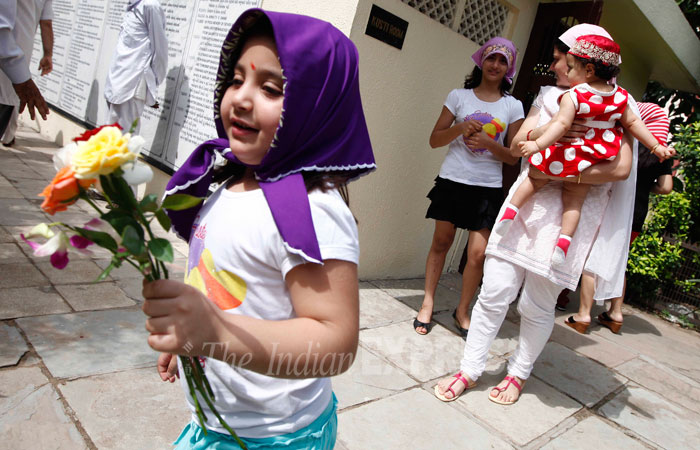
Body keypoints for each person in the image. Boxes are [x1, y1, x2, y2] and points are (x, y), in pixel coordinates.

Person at [141, 9, 375, 448]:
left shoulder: (312, 209)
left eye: (271, 88)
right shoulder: (227, 182)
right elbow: (219, 283)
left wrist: (215, 333)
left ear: (317, 106)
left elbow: (335, 340)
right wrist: (190, 338)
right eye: (235, 80)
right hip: (219, 421)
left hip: (273, 437)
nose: (242, 98)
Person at [434, 23, 639, 406]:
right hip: (527, 207)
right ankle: (469, 368)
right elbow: (517, 144)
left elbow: (622, 168)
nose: (555, 66)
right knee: (494, 291)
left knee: (537, 304)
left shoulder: (617, 104)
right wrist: (559, 127)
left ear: (584, 66)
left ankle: (518, 374)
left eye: (560, 60)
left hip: (572, 216)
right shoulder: (548, 96)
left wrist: (566, 170)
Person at [494, 35, 672, 268]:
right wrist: (656, 145)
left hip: (568, 152)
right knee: (574, 202)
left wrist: (537, 145)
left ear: (588, 69)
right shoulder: (620, 97)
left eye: (570, 67)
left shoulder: (574, 95)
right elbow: (634, 124)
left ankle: (509, 214)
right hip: (593, 157)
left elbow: (561, 125)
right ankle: (563, 245)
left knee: (534, 178)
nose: (566, 73)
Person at [413, 37, 523, 337]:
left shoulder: (512, 106)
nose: (495, 65)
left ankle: (463, 310)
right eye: (491, 58)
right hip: (452, 180)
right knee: (441, 243)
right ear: (481, 61)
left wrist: (490, 143)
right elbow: (435, 140)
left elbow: (513, 157)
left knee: (477, 254)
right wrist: (459, 128)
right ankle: (427, 302)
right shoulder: (459, 97)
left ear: (508, 67)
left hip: (486, 187)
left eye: (502, 60)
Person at [564, 102, 674, 334]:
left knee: (591, 258)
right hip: (636, 216)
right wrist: (645, 189)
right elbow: (666, 188)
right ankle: (615, 313)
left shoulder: (627, 143)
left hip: (613, 208)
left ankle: (583, 313)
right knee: (618, 260)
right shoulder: (659, 154)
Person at [103, 0, 167, 133]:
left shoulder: (150, 6)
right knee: (110, 136)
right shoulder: (133, 5)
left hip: (132, 83)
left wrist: (154, 80)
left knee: (126, 138)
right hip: (117, 80)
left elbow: (160, 48)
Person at [0, 0, 53, 146]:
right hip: (14, 58)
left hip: (13, 60)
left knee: (14, 99)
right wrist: (48, 54)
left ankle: (8, 136)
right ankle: (8, 137)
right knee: (12, 99)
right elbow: (46, 23)